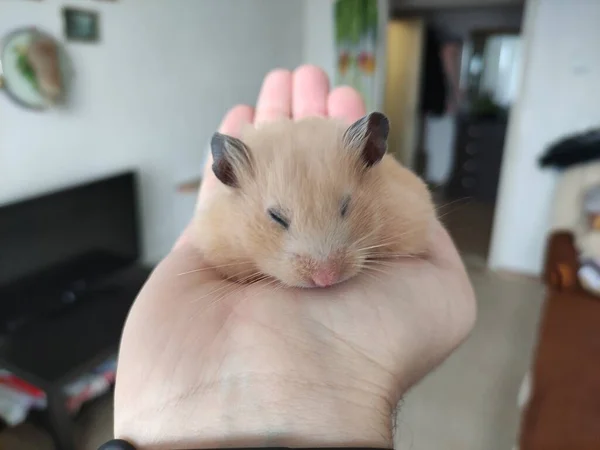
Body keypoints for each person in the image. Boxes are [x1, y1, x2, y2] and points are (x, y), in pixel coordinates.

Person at [109, 65, 476, 450]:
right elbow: (211, 242)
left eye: (345, 208)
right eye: (278, 219)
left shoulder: (385, 190)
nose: (325, 271)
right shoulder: (222, 227)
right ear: (229, 175)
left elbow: (416, 216)